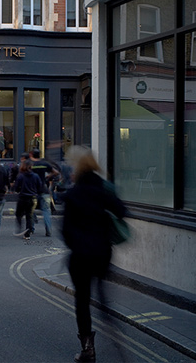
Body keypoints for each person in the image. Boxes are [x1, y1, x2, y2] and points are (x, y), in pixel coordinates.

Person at [62, 146, 125, 362]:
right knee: (101, 290)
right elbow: (122, 211)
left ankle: (88, 347)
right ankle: (108, 316)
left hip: (80, 256)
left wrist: (78, 243)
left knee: (82, 300)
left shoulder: (73, 194)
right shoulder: (104, 189)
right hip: (102, 253)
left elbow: (66, 231)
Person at [30, 148, 59, 237]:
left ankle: (31, 228)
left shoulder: (30, 164)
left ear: (31, 155)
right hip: (44, 189)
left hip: (33, 190)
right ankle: (48, 229)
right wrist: (47, 177)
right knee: (46, 211)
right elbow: (56, 172)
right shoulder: (44, 164)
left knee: (30, 210)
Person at [13, 159, 43, 240]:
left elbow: (16, 188)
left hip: (22, 197)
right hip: (33, 198)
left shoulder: (20, 176)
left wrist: (19, 190)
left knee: (18, 214)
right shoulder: (35, 176)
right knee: (29, 216)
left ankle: (20, 228)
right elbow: (40, 187)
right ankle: (27, 234)